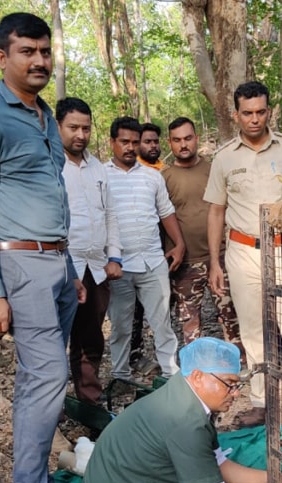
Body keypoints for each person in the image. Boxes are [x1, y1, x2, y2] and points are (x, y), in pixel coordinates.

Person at [0, 12, 84, 483]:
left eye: (44, 51)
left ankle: (34, 482)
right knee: (50, 377)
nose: (38, 60)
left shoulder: (43, 118)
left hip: (57, 263)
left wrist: (72, 267)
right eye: (26, 51)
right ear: (2, 57)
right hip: (20, 265)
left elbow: (53, 199)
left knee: (39, 381)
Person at [72, 337, 266, 483]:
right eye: (229, 384)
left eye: (237, 385)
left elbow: (219, 464)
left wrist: (276, 481)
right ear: (197, 376)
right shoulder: (186, 420)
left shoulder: (186, 394)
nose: (235, 393)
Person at [204, 82, 282, 428]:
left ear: (270, 111)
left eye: (261, 112)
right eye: (247, 113)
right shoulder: (224, 157)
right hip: (242, 252)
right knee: (253, 331)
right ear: (236, 114)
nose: (254, 119)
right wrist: (214, 262)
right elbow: (216, 212)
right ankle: (262, 402)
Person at [105, 116, 185, 382]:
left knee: (162, 323)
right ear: (112, 142)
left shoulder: (152, 177)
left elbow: (166, 212)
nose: (130, 147)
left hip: (152, 261)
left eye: (134, 142)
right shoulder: (101, 176)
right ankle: (120, 376)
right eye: (124, 142)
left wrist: (179, 243)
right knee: (121, 326)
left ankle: (170, 375)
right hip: (118, 266)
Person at [56, 97, 122, 405]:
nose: (80, 135)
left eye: (85, 128)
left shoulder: (97, 167)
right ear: (57, 126)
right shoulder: (50, 165)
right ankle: (52, 407)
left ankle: (89, 401)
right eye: (73, 128)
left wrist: (114, 256)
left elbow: (110, 213)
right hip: (61, 267)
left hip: (96, 267)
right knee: (55, 340)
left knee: (91, 337)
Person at [162, 117, 242, 351]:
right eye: (177, 140)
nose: (183, 144)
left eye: (188, 138)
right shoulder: (164, 179)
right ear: (170, 143)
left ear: (196, 139)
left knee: (231, 315)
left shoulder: (214, 170)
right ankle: (196, 373)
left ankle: (238, 365)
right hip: (185, 263)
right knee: (189, 321)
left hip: (221, 257)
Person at [129, 121, 164, 374]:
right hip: (131, 257)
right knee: (133, 312)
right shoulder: (130, 173)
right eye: (147, 141)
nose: (152, 146)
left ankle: (166, 361)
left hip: (160, 254)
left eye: (155, 141)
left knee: (162, 311)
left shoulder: (163, 172)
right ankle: (134, 355)